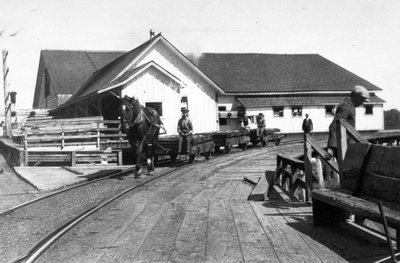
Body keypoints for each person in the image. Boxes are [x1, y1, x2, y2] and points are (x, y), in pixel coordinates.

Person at [326, 85, 370, 159]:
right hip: (343, 146)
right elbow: (334, 126)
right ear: (356, 97)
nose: (362, 103)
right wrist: (331, 149)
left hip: (348, 145)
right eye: (362, 100)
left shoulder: (351, 106)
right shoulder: (346, 106)